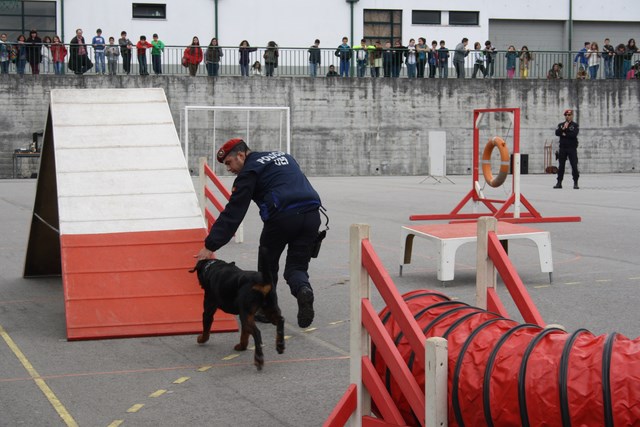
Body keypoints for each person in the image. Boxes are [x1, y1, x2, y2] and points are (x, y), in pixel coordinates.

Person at [195, 138, 323, 329]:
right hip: (312, 215)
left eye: (229, 163)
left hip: (281, 219)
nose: (229, 169)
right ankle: (303, 290)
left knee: (267, 268)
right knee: (296, 267)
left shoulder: (249, 172)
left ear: (241, 155)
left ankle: (265, 308)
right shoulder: (283, 156)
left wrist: (210, 245)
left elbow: (234, 212)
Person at [554, 109, 580, 190]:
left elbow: (573, 134)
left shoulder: (575, 125)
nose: (567, 117)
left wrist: (565, 132)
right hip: (563, 148)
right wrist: (563, 129)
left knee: (574, 166)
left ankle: (575, 182)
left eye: (569, 115)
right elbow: (557, 133)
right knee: (561, 166)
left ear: (572, 116)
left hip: (571, 148)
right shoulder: (561, 125)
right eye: (566, 115)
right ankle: (559, 183)